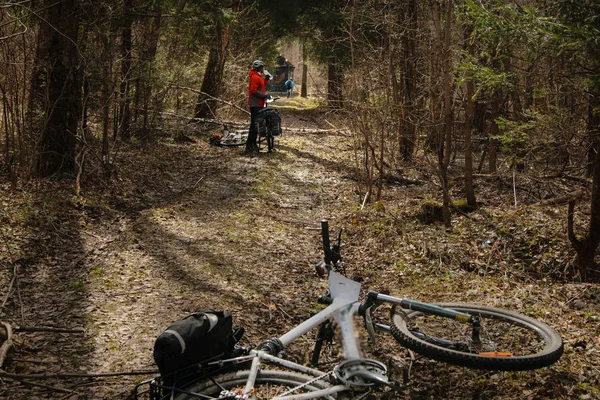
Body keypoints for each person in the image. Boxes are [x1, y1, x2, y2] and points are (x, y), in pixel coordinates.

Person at [247, 60, 271, 154]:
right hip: (255, 104)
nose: (263, 69)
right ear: (260, 68)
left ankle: (253, 145)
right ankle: (249, 146)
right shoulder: (255, 77)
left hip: (258, 104)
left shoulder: (258, 77)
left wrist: (266, 79)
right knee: (254, 126)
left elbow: (261, 86)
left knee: (256, 125)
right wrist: (263, 96)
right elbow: (253, 90)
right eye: (262, 68)